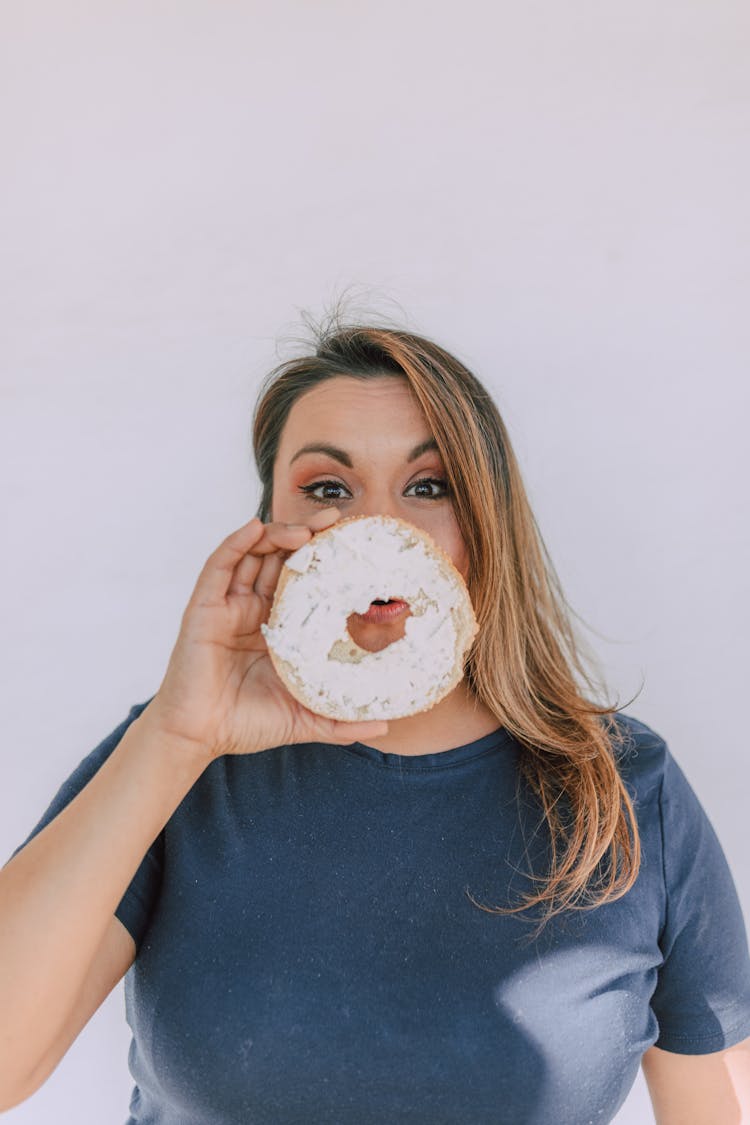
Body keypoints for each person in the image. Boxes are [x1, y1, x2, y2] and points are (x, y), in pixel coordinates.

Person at [2, 317, 750, 1124]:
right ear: (272, 530)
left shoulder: (627, 792)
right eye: (328, 488)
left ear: (488, 527)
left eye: (429, 486)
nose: (380, 528)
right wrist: (178, 736)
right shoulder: (175, 760)